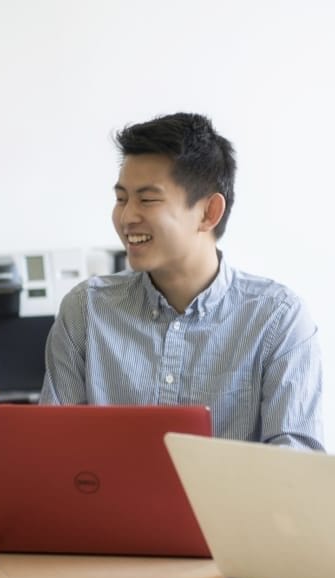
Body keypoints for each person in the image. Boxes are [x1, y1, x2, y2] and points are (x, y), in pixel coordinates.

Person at [40, 112, 324, 450]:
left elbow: (295, 471)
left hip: (229, 506)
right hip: (110, 506)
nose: (127, 216)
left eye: (147, 199)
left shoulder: (278, 320)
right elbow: (53, 450)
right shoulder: (86, 310)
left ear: (208, 213)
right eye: (121, 198)